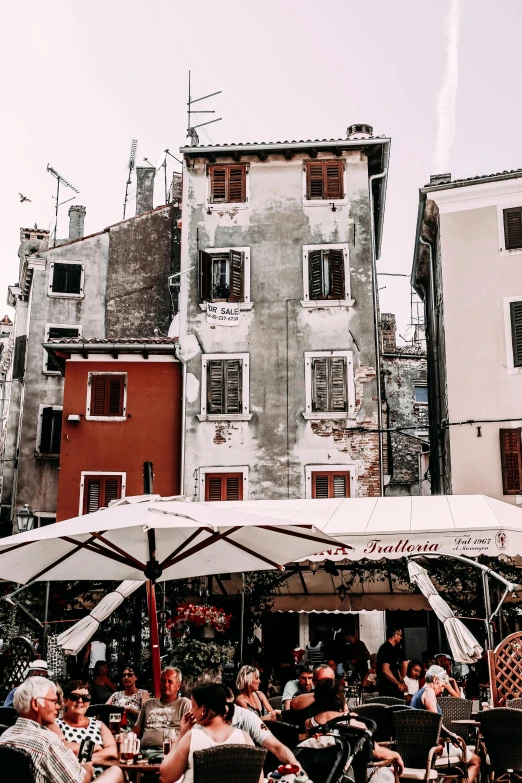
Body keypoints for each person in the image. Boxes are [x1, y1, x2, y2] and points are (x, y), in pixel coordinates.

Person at [0, 676, 123, 783]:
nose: (58, 707)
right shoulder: (47, 741)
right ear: (35, 704)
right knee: (116, 772)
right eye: (54, 701)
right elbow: (78, 781)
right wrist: (87, 768)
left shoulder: (5, 736)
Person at [304, 679, 404, 782]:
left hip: (322, 775)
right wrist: (395, 755)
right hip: (351, 774)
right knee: (387, 775)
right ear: (340, 697)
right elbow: (374, 751)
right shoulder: (352, 720)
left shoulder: (309, 723)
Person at [181, 684, 300, 768]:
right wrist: (184, 733)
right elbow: (184, 759)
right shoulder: (202, 720)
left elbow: (276, 746)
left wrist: (298, 769)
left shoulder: (246, 717)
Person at [159, 682, 254, 783]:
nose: (191, 710)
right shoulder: (244, 738)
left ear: (203, 709)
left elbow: (166, 776)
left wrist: (181, 735)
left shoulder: (192, 737)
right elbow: (258, 779)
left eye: (193, 706)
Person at [411, 665, 480, 783]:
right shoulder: (429, 692)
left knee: (450, 775)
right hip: (430, 749)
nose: (442, 690)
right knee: (476, 761)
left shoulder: (417, 695)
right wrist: (452, 736)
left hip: (418, 748)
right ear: (435, 680)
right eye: (442, 686)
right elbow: (435, 723)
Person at [49, 680, 118, 779]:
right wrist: (95, 748)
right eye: (74, 697)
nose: (80, 701)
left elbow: (112, 752)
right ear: (65, 700)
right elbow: (61, 750)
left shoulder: (99, 724)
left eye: (86, 698)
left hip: (103, 778)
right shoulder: (55, 724)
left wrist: (81, 758)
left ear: (89, 702)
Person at [134, 667, 191, 751]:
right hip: (143, 751)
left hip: (170, 753)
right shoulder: (148, 703)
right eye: (163, 681)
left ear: (178, 685)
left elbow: (190, 733)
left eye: (170, 681)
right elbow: (136, 730)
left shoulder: (184, 703)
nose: (166, 685)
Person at [376, 629, 407, 698]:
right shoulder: (386, 648)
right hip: (388, 689)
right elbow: (385, 670)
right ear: (394, 635)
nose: (401, 638)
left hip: (394, 688)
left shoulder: (392, 649)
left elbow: (394, 667)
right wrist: (398, 683)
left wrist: (401, 682)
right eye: (400, 635)